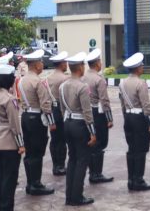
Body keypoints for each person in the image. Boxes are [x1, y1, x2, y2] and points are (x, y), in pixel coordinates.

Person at [59, 52, 98, 206]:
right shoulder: (82, 87)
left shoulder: (63, 86)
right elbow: (87, 112)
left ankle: (69, 196)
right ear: (80, 68)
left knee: (72, 160)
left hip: (67, 123)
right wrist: (93, 133)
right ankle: (77, 196)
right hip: (80, 125)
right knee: (82, 160)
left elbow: (62, 109)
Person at [17, 49, 56, 196]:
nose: (42, 64)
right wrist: (52, 122)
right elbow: (45, 104)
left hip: (26, 117)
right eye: (40, 62)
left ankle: (30, 182)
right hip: (37, 119)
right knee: (37, 152)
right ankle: (36, 184)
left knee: (29, 152)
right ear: (36, 65)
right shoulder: (37, 81)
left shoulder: (22, 79)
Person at [0, 63, 24, 211]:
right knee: (10, 179)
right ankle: (6, 207)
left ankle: (0, 206)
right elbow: (15, 125)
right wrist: (21, 144)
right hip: (9, 143)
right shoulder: (9, 99)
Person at [119, 52, 150, 191]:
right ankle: (138, 180)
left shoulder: (122, 82)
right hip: (139, 118)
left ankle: (131, 179)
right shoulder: (141, 83)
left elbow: (122, 103)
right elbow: (146, 105)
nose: (143, 67)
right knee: (141, 150)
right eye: (141, 65)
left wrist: (126, 116)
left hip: (128, 117)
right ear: (137, 68)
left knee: (131, 149)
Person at [85, 49, 115, 184]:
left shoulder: (83, 77)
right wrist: (109, 118)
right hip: (98, 113)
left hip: (86, 112)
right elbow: (105, 100)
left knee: (92, 143)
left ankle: (92, 172)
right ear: (96, 64)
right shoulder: (99, 79)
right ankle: (96, 173)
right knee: (100, 143)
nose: (101, 63)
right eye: (100, 61)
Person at [46, 51, 69, 176]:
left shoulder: (48, 77)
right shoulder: (65, 78)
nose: (67, 65)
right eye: (65, 62)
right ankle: (60, 165)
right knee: (61, 140)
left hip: (51, 110)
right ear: (62, 64)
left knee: (54, 139)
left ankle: (56, 165)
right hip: (61, 110)